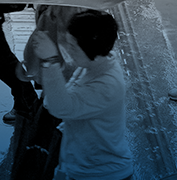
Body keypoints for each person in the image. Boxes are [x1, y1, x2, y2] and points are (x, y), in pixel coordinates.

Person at [39, 10, 134, 180]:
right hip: (81, 165)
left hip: (101, 174)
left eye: (73, 46)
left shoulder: (107, 85)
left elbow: (60, 108)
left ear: (90, 46)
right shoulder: (91, 65)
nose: (68, 50)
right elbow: (53, 102)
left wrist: (50, 62)